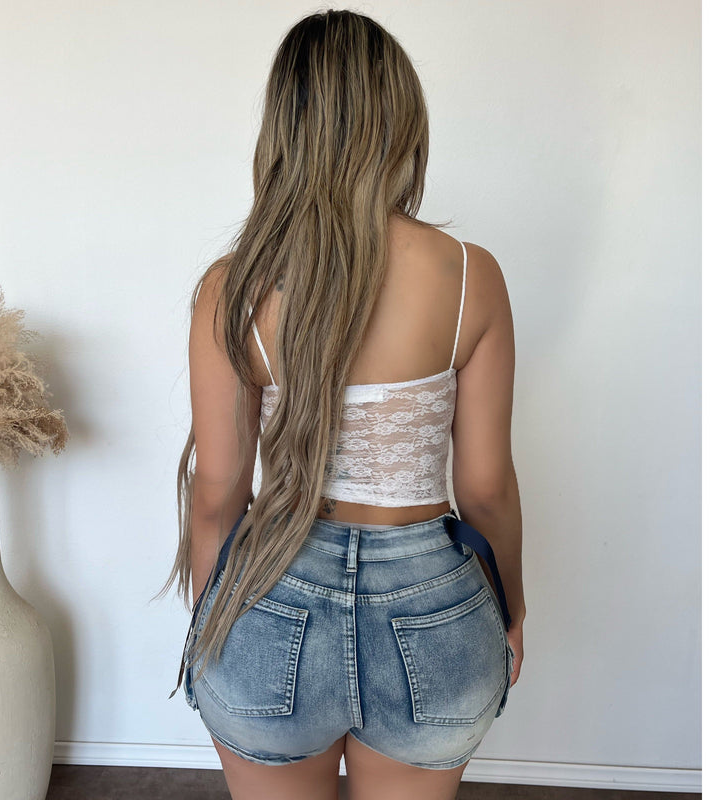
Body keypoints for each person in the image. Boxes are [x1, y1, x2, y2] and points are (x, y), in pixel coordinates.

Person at [158, 9, 525, 800]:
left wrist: (211, 617)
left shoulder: (233, 288)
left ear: (283, 127)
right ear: (402, 121)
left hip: (273, 593)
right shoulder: (468, 275)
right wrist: (511, 609)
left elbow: (217, 492)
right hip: (435, 612)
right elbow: (487, 488)